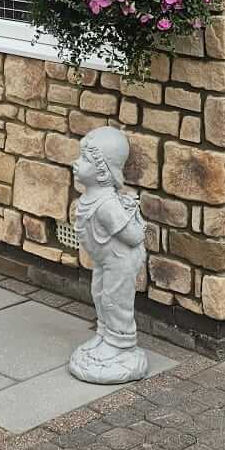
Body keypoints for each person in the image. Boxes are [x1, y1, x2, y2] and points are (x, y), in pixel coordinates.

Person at [66, 125, 150, 384]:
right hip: (106, 261)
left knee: (115, 300)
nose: (76, 163)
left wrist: (135, 221)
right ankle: (104, 335)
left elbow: (134, 237)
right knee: (100, 295)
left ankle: (120, 342)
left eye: (85, 160)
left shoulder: (107, 206)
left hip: (121, 262)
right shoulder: (92, 198)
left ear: (103, 171)